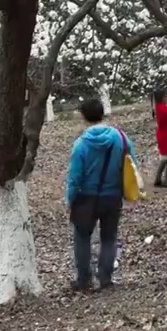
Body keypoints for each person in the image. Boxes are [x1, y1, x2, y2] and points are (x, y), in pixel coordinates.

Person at [65, 98, 133, 293]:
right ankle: (105, 278)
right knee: (109, 238)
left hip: (86, 198)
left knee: (82, 237)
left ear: (84, 117)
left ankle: (83, 280)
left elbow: (74, 177)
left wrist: (70, 199)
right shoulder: (120, 138)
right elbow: (131, 165)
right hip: (112, 196)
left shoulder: (81, 144)